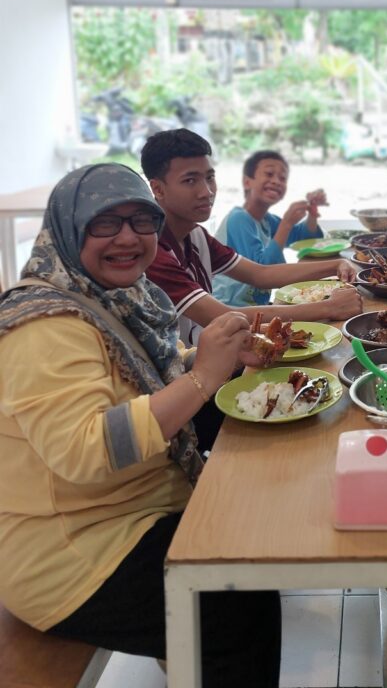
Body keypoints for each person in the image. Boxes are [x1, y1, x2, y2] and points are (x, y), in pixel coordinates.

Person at [0, 163, 281, 685]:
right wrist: (203, 376)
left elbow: (154, 369)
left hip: (136, 506)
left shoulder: (115, 294)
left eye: (141, 221)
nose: (127, 237)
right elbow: (86, 450)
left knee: (251, 468)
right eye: (105, 223)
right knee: (237, 604)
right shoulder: (44, 325)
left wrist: (224, 360)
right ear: (67, 229)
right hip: (72, 553)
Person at [140, 129, 361, 346]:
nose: (207, 192)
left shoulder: (195, 234)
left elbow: (260, 274)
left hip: (217, 347)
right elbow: (223, 316)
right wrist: (329, 307)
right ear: (158, 189)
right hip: (193, 362)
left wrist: (336, 265)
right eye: (190, 180)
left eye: (210, 178)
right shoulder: (153, 251)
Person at [213, 149, 327, 308]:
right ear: (247, 182)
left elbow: (305, 238)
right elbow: (264, 273)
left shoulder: (266, 220)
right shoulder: (238, 219)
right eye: (269, 174)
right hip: (230, 308)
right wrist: (286, 223)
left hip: (257, 308)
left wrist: (312, 214)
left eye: (282, 178)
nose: (276, 181)